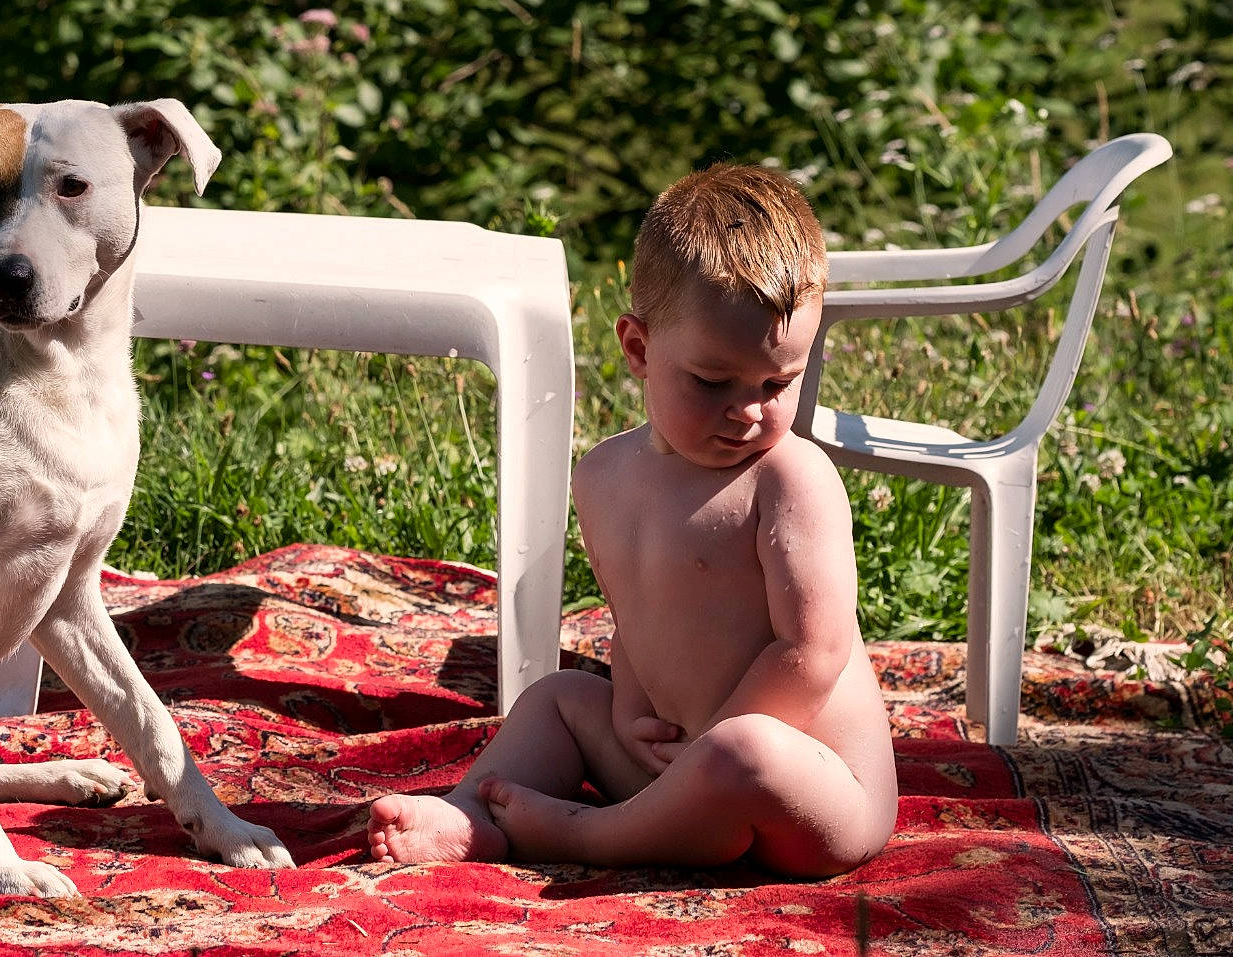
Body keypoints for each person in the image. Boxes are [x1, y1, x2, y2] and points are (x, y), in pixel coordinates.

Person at [368, 164, 897, 876]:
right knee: (556, 698)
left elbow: (813, 653)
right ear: (639, 350)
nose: (748, 410)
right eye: (712, 382)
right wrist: (628, 714)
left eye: (778, 383)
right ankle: (470, 813)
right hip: (669, 757)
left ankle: (588, 835)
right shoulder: (605, 478)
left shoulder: (791, 478)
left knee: (745, 751)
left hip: (806, 790)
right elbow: (638, 623)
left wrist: (711, 740)